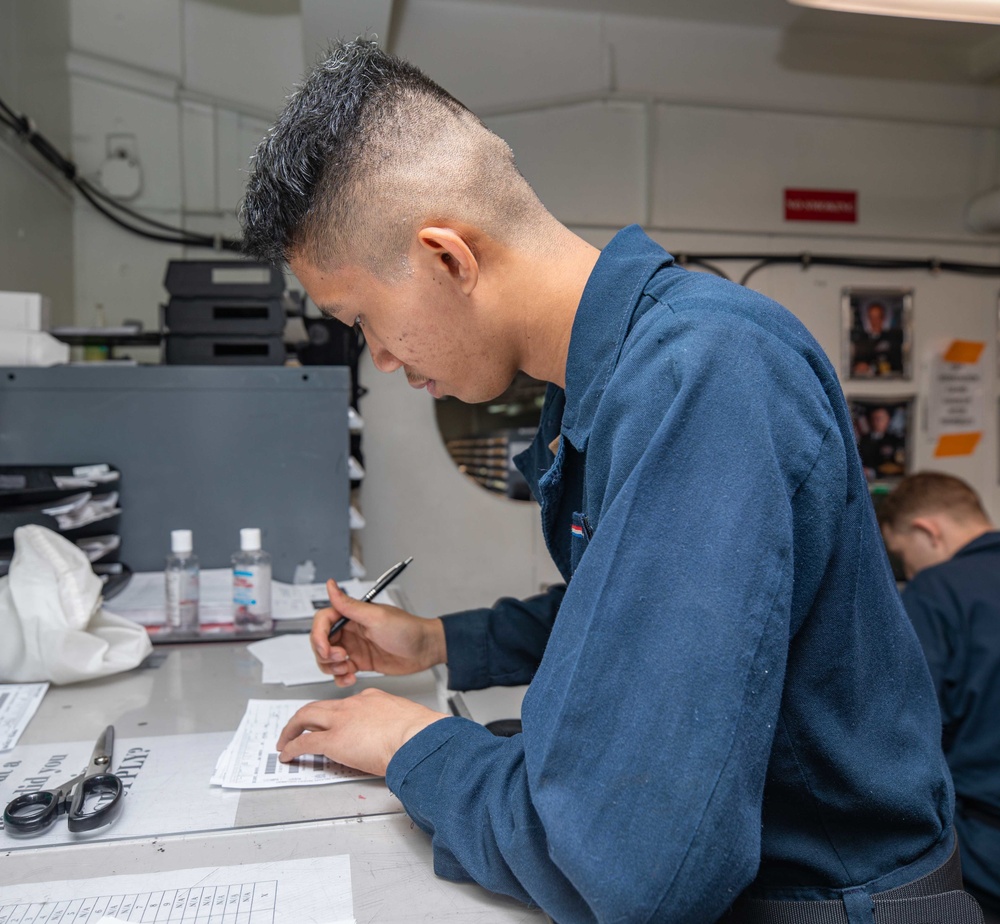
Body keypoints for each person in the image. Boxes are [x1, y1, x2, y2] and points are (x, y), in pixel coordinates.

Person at [240, 40, 976, 924]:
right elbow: (639, 616)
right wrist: (437, 641)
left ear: (447, 258)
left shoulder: (706, 374)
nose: (383, 357)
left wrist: (415, 746)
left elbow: (633, 869)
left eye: (363, 318)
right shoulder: (607, 378)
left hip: (831, 898)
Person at [879, 472, 1000, 921]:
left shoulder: (937, 591)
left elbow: (910, 729)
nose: (909, 573)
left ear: (927, 530)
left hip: (985, 853)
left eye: (904, 559)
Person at [850, 300, 904, 377]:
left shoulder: (893, 338)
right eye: (872, 317)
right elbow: (856, 362)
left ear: (883, 318)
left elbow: (897, 363)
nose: (874, 321)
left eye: (877, 317)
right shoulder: (861, 340)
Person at [856, 404, 906, 481]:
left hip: (889, 480)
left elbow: (898, 465)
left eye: (881, 418)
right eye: (875, 418)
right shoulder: (862, 440)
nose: (878, 422)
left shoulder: (895, 441)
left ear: (888, 420)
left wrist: (873, 472)